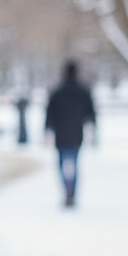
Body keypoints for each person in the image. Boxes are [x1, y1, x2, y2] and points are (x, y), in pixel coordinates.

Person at [45, 61, 97, 207]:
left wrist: (48, 130)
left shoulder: (57, 91)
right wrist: (92, 131)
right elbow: (91, 113)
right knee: (74, 164)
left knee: (62, 164)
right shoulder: (83, 91)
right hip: (76, 134)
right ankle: (72, 192)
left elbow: (49, 113)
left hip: (61, 134)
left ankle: (66, 190)